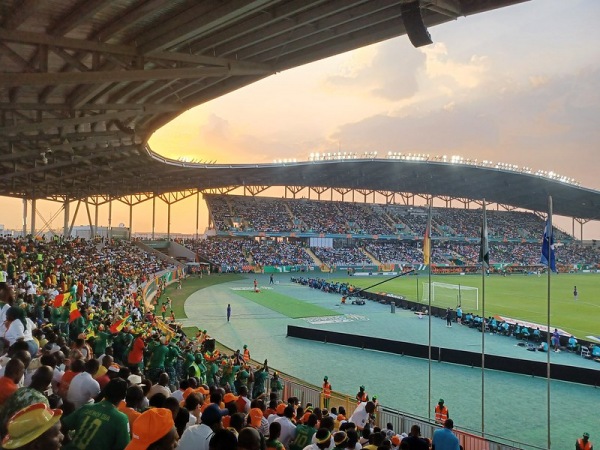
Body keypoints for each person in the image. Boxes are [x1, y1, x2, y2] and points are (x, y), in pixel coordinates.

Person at [62, 377, 130, 450]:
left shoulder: (86, 407)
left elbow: (62, 427)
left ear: (105, 391)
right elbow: (124, 447)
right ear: (123, 396)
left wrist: (71, 444)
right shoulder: (121, 419)